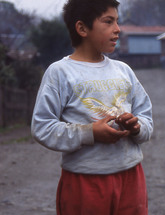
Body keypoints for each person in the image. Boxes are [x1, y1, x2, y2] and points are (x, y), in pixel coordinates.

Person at [31, 0, 153, 214]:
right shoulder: (60, 73)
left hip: (131, 176)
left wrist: (136, 127)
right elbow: (42, 127)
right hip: (84, 181)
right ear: (82, 28)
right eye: (108, 22)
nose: (118, 29)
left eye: (117, 21)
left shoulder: (123, 70)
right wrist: (90, 133)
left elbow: (146, 117)